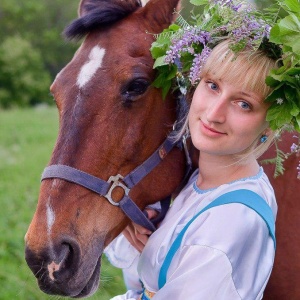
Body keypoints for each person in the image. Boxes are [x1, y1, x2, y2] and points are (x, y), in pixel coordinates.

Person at [105, 0, 300, 299]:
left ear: (269, 127)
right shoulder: (200, 181)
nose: (213, 113)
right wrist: (134, 222)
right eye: (212, 86)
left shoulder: (232, 220)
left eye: (243, 103)